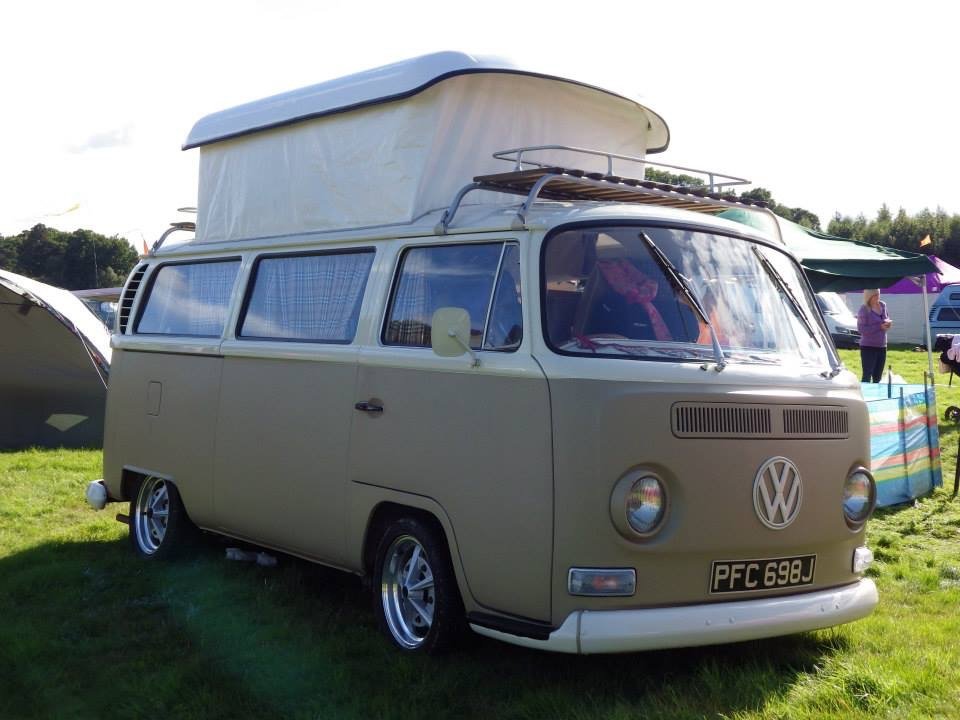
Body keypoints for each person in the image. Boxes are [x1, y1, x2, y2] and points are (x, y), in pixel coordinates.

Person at [857, 288, 892, 382]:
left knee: (878, 377)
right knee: (867, 375)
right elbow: (861, 329)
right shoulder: (864, 309)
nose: (878, 297)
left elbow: (886, 318)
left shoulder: (883, 305)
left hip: (882, 346)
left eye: (878, 294)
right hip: (868, 347)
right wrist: (880, 327)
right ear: (869, 297)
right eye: (875, 295)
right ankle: (864, 395)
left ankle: (876, 396)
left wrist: (887, 324)